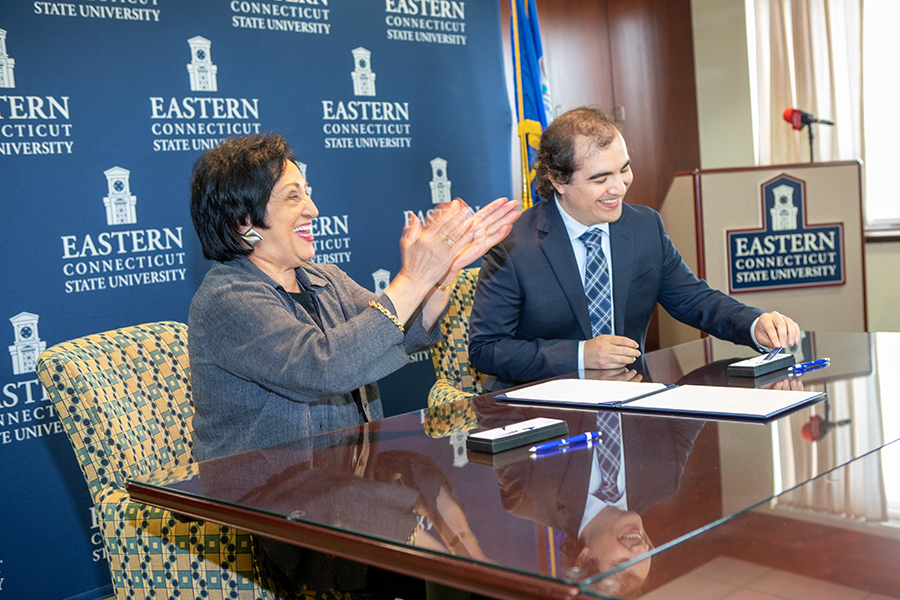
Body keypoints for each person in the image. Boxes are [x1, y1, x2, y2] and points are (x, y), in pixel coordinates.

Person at [187, 133, 518, 596]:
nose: (313, 210)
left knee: (425, 470)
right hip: (269, 498)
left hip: (344, 475)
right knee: (388, 524)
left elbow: (398, 329)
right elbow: (326, 367)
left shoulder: (323, 278)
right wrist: (413, 277)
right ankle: (474, 584)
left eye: (309, 193)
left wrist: (444, 273)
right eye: (293, 197)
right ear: (245, 223)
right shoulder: (228, 298)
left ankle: (478, 574)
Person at [468, 106, 800, 390]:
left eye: (623, 169)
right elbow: (487, 349)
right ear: (558, 181)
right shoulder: (513, 244)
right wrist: (581, 355)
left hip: (632, 405)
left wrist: (755, 325)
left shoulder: (644, 227)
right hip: (543, 414)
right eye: (600, 179)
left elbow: (694, 300)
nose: (619, 188)